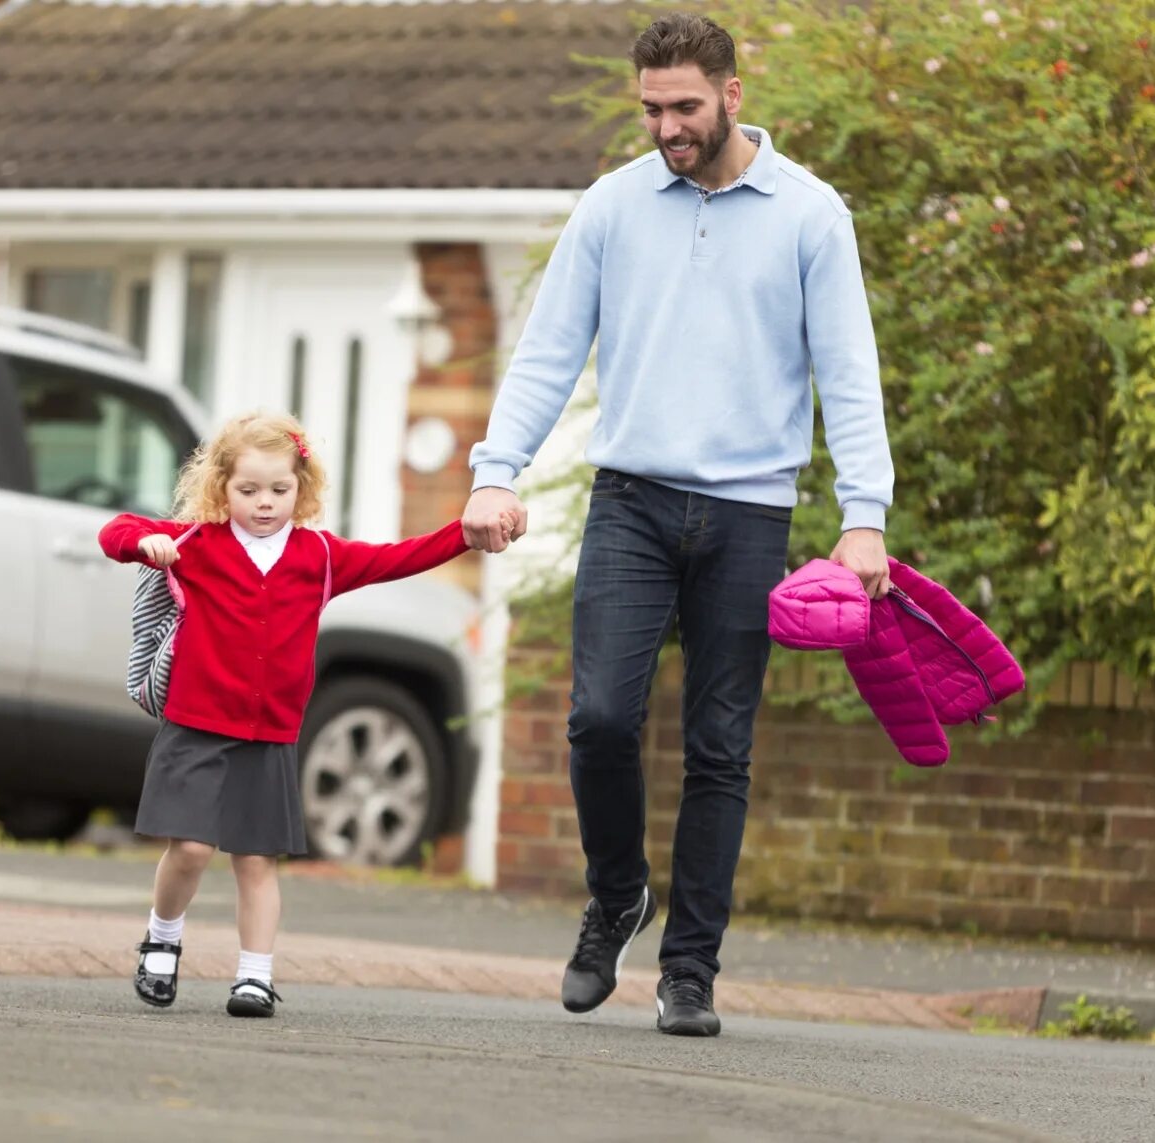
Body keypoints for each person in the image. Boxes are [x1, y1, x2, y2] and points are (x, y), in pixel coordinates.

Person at [461, 12, 895, 1037]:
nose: (668, 127)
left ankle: (689, 969)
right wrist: (494, 471)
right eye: (652, 109)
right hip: (632, 502)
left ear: (733, 96)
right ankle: (617, 894)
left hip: (750, 512)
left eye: (686, 107)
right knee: (600, 719)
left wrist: (862, 515)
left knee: (719, 748)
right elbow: (546, 352)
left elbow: (848, 372)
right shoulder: (612, 207)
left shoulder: (809, 214)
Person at [99, 411, 493, 1017]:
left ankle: (254, 976)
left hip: (269, 734)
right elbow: (116, 531)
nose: (264, 503)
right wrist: (141, 542)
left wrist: (464, 535)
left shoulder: (321, 557)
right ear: (221, 488)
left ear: (301, 489)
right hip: (195, 726)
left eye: (279, 490)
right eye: (248, 491)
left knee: (256, 860)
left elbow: (399, 557)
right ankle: (162, 938)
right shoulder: (196, 545)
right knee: (193, 850)